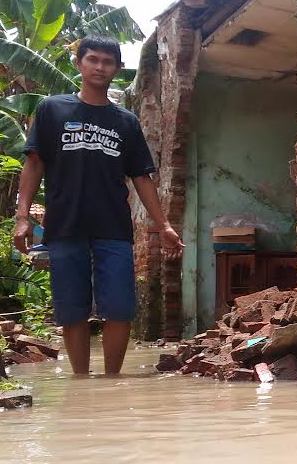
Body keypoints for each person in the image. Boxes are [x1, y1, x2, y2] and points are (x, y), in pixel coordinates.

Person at [13, 35, 184, 375]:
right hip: (65, 226)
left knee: (120, 309)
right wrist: (22, 217)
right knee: (72, 310)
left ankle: (111, 380)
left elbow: (142, 177)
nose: (100, 67)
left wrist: (163, 224)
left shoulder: (126, 122)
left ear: (117, 69)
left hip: (114, 229)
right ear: (79, 63)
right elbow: (33, 165)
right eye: (93, 59)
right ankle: (80, 381)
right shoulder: (51, 110)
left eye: (108, 62)